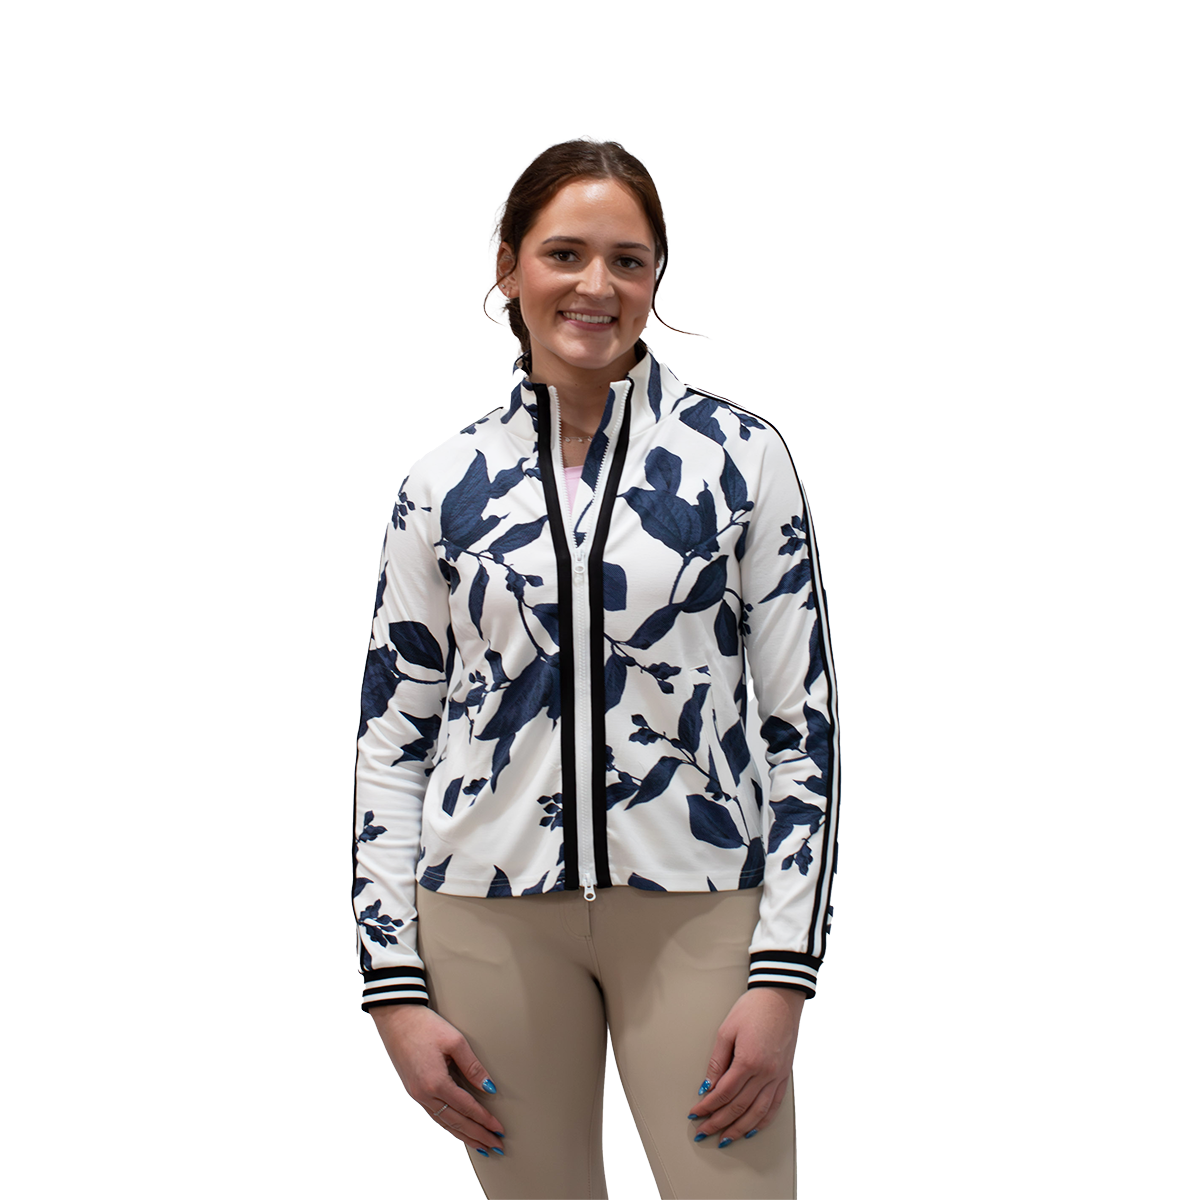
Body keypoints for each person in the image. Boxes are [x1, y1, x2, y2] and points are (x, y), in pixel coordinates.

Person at [353, 139, 840, 1200]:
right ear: (509, 266)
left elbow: (801, 724)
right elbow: (394, 737)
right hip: (486, 919)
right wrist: (391, 984)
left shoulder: (739, 458)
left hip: (700, 906)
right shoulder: (444, 484)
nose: (596, 286)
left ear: (657, 277)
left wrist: (784, 972)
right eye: (565, 253)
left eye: (629, 260)